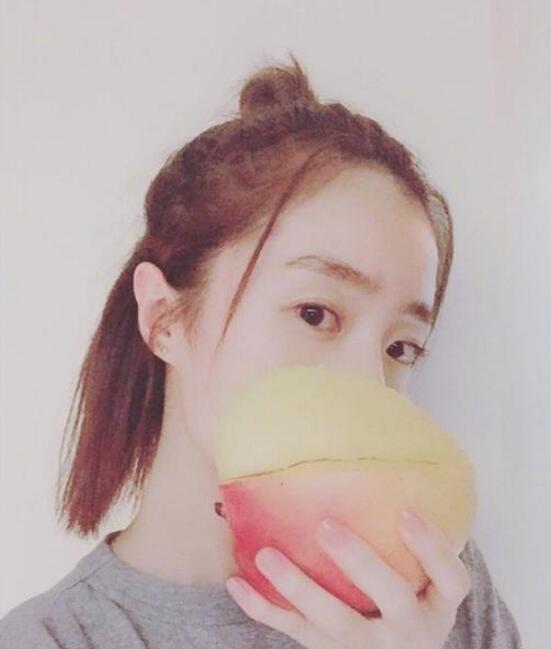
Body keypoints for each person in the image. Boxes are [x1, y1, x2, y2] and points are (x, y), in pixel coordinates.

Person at [0, 54, 523, 649]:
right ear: (164, 317)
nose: (370, 385)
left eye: (400, 346)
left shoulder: (433, 584)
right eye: (315, 314)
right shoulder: (51, 638)